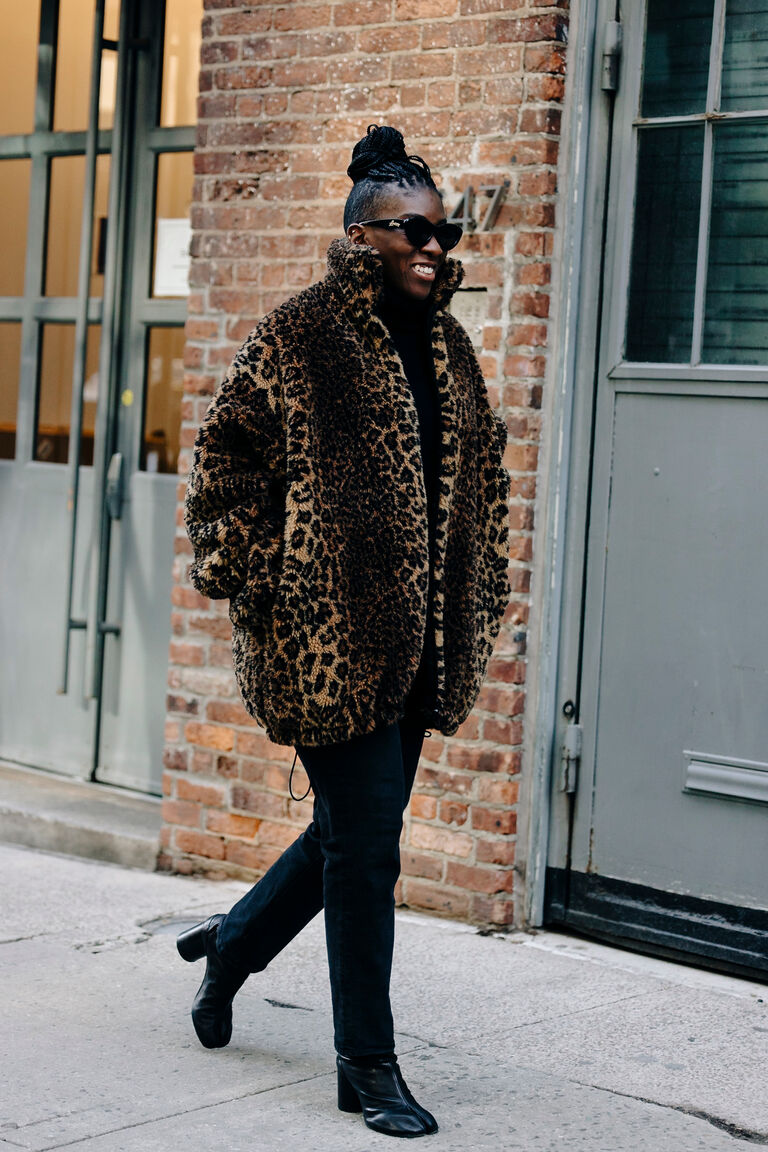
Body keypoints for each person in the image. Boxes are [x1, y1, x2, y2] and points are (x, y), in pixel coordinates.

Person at [177, 124, 511, 1139]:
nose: (434, 245)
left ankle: (231, 948)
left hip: (419, 649)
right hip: (328, 653)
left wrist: (479, 587)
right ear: (361, 234)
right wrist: (278, 588)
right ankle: (367, 1063)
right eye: (414, 227)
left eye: (443, 229)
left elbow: (485, 486)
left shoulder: (451, 351)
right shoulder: (296, 339)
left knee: (343, 836)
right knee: (368, 853)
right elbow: (223, 477)